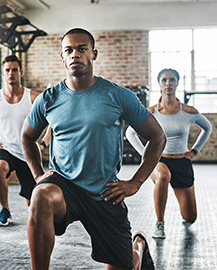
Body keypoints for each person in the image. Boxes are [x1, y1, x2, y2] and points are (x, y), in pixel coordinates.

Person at [22, 28, 166, 270]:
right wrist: (38, 175)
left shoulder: (118, 96)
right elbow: (27, 137)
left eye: (81, 49)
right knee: (40, 196)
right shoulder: (49, 98)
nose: (74, 55)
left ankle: (138, 245)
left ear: (94, 54)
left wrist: (136, 182)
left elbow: (157, 136)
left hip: (104, 191)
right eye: (68, 50)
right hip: (64, 185)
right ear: (62, 57)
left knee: (125, 267)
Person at [126, 68, 212, 239]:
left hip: (182, 162)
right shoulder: (151, 112)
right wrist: (147, 155)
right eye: (164, 80)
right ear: (159, 84)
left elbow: (207, 127)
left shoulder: (188, 111)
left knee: (190, 217)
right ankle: (160, 223)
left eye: (172, 80)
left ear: (177, 83)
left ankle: (185, 215)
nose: (168, 83)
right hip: (160, 160)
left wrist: (195, 150)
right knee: (163, 176)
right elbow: (130, 133)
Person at [0, 55, 50, 226]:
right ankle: (4, 210)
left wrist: (44, 142)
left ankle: (33, 213)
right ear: (2, 74)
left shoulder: (32, 97)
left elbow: (53, 119)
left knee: (34, 206)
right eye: (7, 70)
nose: (11, 73)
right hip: (5, 149)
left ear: (21, 72)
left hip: (28, 152)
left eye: (14, 70)